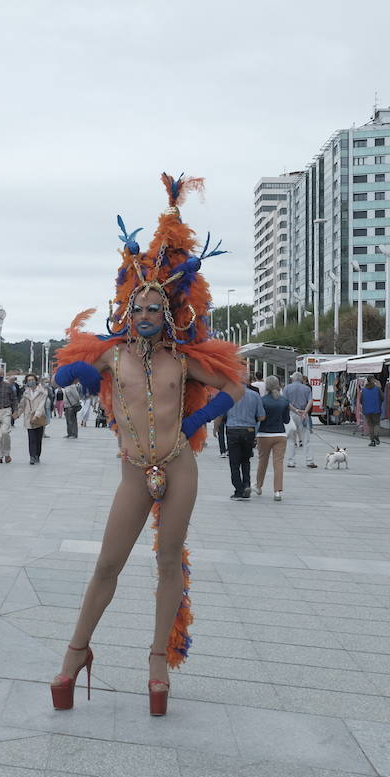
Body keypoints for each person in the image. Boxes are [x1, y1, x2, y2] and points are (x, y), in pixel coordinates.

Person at [51, 173, 246, 717]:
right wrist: (89, 383)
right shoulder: (112, 355)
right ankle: (75, 651)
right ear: (125, 310)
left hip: (178, 465)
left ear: (169, 314)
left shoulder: (183, 360)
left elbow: (235, 387)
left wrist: (194, 423)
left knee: (167, 561)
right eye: (137, 309)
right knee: (108, 563)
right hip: (133, 470)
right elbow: (64, 371)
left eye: (154, 310)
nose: (144, 317)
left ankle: (158, 660)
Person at [224, 379, 264, 500]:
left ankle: (238, 490)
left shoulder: (229, 394)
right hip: (249, 430)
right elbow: (262, 416)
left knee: (234, 462)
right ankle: (246, 484)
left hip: (233, 430)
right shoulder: (255, 395)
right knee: (246, 460)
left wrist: (216, 428)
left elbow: (221, 413)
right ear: (247, 382)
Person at [254, 376, 290, 501]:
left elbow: (258, 417)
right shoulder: (284, 401)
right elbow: (286, 420)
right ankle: (277, 492)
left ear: (266, 386)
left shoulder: (261, 400)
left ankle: (258, 486)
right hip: (280, 434)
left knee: (262, 461)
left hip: (264, 434)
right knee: (278, 463)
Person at [283, 371, 318, 470]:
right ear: (301, 379)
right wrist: (305, 412)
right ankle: (309, 460)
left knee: (291, 439)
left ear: (293, 379)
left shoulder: (287, 388)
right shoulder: (307, 388)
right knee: (306, 439)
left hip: (291, 415)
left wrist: (295, 410)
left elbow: (285, 402)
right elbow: (311, 401)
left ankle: (291, 461)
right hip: (303, 415)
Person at [18, 373, 50, 464]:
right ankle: (32, 456)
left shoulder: (42, 392)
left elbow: (41, 405)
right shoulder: (26, 393)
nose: (31, 382)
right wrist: (17, 414)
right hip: (29, 418)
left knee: (38, 438)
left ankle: (37, 455)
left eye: (32, 380)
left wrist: (37, 415)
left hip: (39, 417)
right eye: (29, 380)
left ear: (36, 381)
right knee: (31, 438)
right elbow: (22, 405)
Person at [361, 377, 385, 446]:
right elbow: (382, 398)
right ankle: (376, 435)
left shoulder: (364, 390)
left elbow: (361, 400)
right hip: (376, 409)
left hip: (366, 410)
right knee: (376, 423)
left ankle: (372, 441)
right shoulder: (377, 389)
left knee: (370, 425)